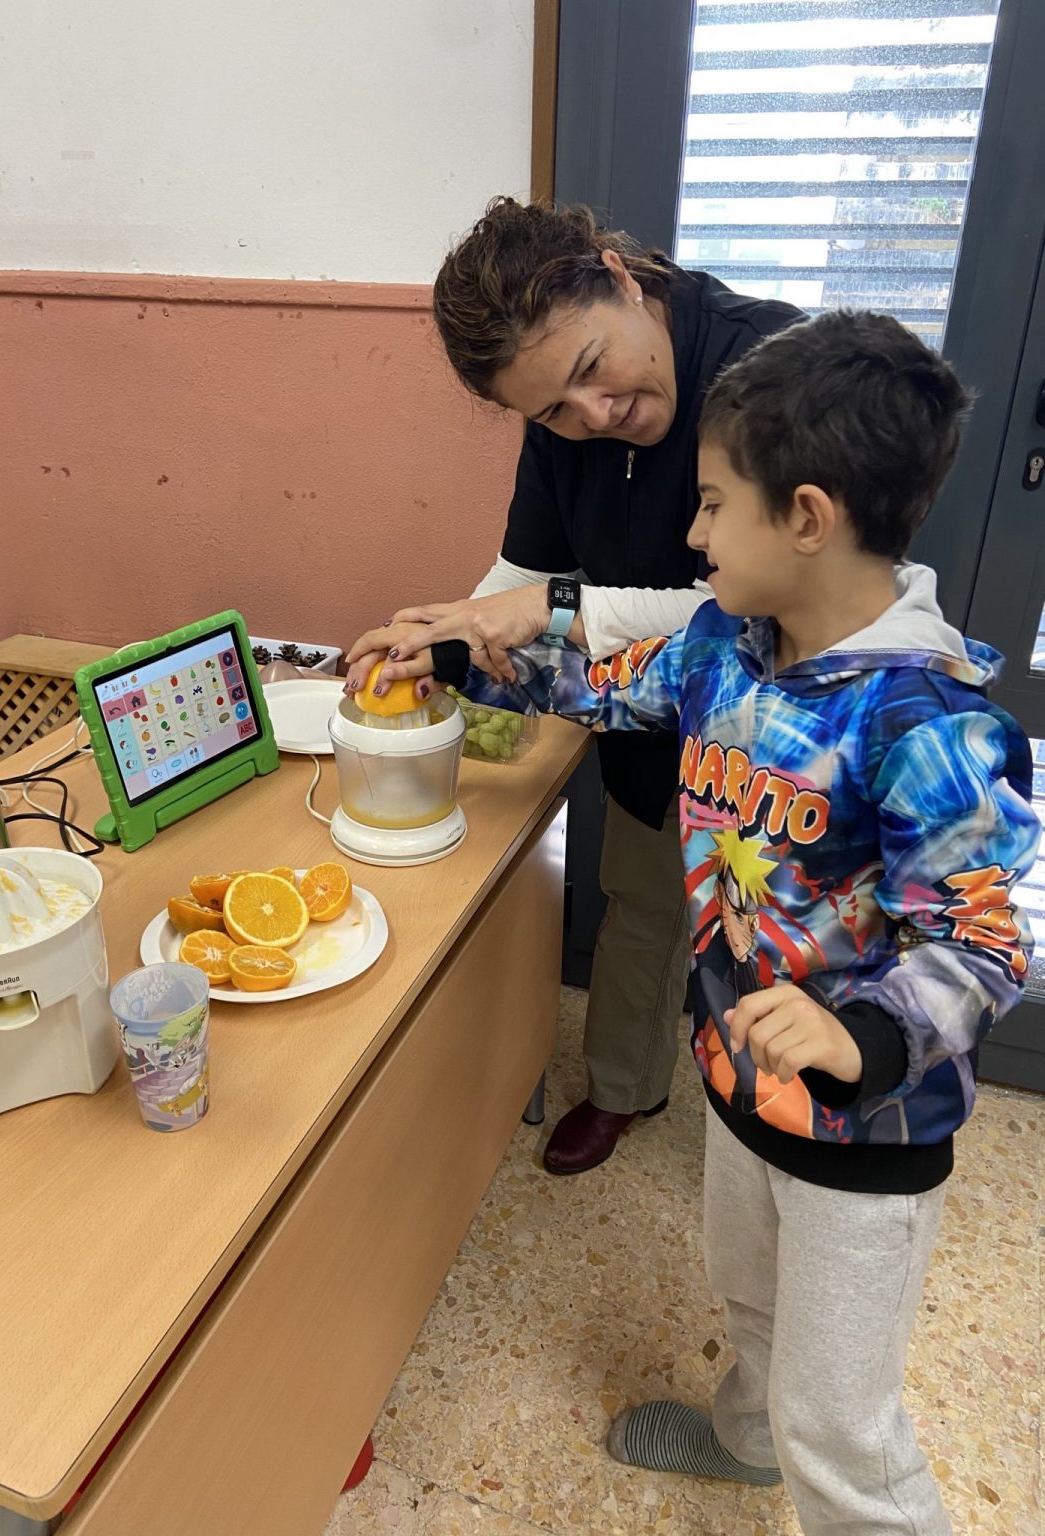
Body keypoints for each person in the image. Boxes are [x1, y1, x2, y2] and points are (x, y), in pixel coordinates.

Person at [428, 310, 1041, 1532]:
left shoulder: (926, 725)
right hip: (739, 1082)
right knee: (750, 1304)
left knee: (845, 1431)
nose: (692, 533)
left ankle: (808, 1459)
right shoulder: (726, 647)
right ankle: (745, 1437)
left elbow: (989, 936)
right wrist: (459, 657)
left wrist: (860, 1036)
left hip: (863, 1137)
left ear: (807, 517)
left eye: (711, 506)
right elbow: (604, 688)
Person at [346, 198, 803, 1174]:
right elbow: (520, 577)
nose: (594, 416)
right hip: (650, 730)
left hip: (786, 740)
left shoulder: (774, 374)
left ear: (620, 275)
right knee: (644, 904)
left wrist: (550, 608)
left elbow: (779, 610)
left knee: (781, 944)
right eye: (555, 408)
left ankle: (781, 1129)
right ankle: (626, 1088)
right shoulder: (558, 418)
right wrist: (446, 636)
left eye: (594, 370)